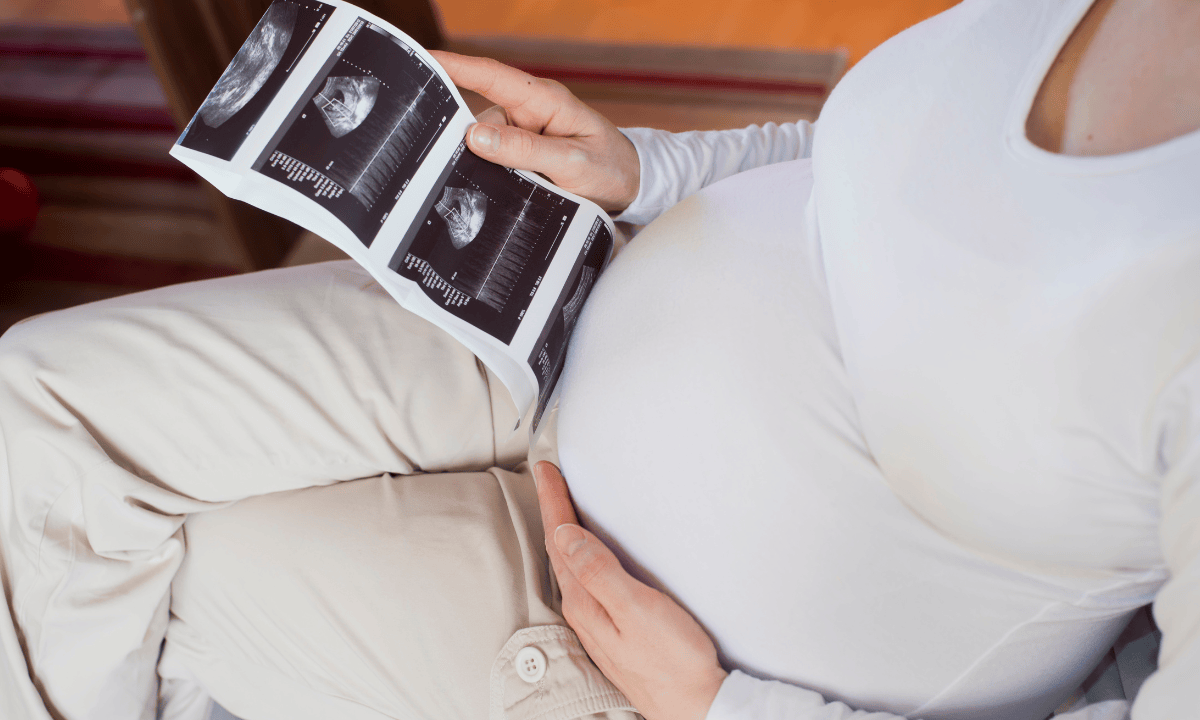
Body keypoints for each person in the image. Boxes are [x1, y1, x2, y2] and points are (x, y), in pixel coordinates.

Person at [1, 0, 1197, 718]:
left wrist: (723, 709)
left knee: (180, 589)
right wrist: (651, 171)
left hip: (675, 653)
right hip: (564, 314)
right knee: (39, 416)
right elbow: (865, 159)